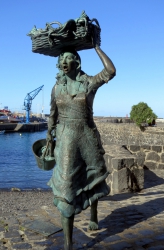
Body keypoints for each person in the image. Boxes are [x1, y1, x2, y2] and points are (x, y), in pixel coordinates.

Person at [47, 41, 116, 249]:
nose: (64, 62)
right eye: (62, 59)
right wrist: (50, 134)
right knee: (66, 186)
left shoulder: (88, 83)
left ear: (76, 62)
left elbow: (110, 71)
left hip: (86, 136)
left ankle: (93, 214)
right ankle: (68, 244)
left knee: (92, 177)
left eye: (68, 58)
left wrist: (96, 47)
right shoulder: (57, 87)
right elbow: (52, 114)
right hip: (66, 137)